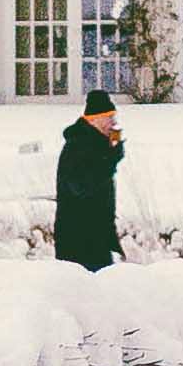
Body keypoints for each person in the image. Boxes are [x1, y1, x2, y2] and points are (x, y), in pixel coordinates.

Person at [52, 87, 126, 269]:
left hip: (97, 236)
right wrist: (111, 159)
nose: (113, 123)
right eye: (109, 117)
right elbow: (82, 186)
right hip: (78, 238)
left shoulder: (99, 145)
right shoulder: (77, 146)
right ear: (95, 120)